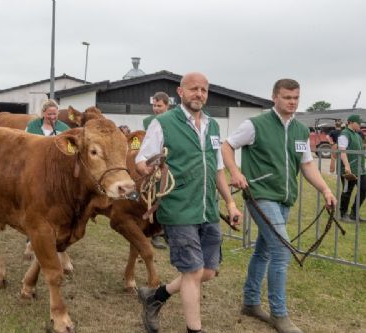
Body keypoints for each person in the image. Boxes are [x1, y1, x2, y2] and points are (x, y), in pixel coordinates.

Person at [221, 79, 337, 333]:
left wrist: (326, 189)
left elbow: (306, 164)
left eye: (296, 97)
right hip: (261, 196)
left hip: (285, 199)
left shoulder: (299, 130)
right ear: (275, 97)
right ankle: (279, 314)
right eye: (287, 97)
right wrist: (235, 172)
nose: (292, 102)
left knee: (264, 251)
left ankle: (250, 303)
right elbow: (227, 146)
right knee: (282, 251)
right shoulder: (255, 124)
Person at [136, 72, 242, 333]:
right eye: (194, 89)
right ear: (180, 92)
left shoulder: (213, 126)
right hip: (179, 207)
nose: (199, 94)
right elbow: (141, 160)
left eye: (204, 90)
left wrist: (230, 203)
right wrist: (148, 168)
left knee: (208, 271)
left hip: (207, 208)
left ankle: (156, 296)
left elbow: (218, 170)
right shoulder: (163, 123)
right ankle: (194, 329)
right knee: (193, 272)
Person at [143, 92, 170, 250]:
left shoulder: (173, 121)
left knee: (169, 198)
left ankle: (168, 232)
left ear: (167, 105)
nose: (156, 108)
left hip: (169, 164)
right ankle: (154, 233)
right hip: (153, 164)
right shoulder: (148, 121)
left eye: (159, 106)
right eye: (154, 105)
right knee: (153, 197)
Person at [338, 114, 366, 222]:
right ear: (351, 122)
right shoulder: (344, 134)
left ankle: (354, 213)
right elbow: (342, 151)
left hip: (360, 170)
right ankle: (343, 214)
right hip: (348, 170)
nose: (360, 125)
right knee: (347, 191)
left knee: (364, 189)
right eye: (358, 123)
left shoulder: (358, 136)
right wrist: (347, 166)